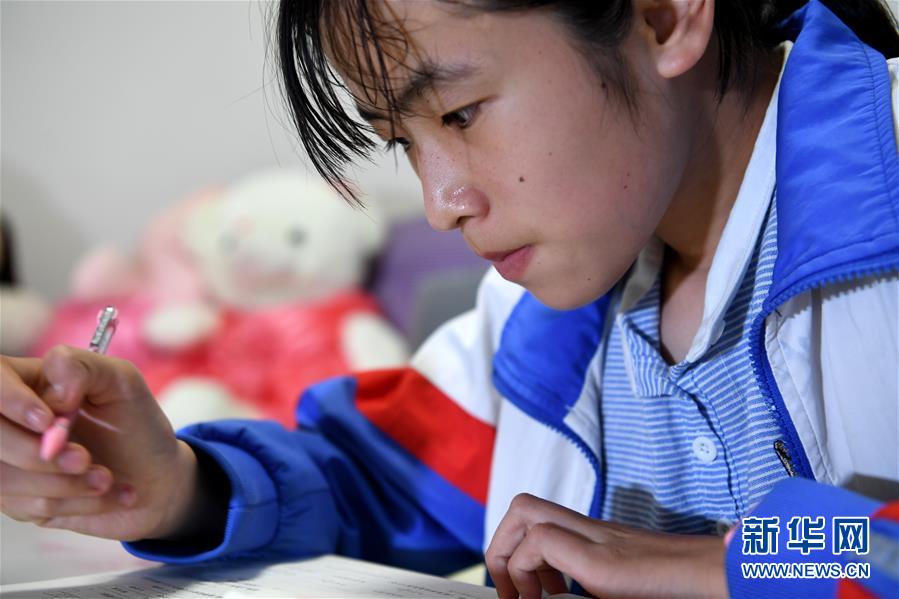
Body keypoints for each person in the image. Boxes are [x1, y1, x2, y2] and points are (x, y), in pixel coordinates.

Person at [1, 0, 898, 597]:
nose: (439, 205)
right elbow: (376, 481)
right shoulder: (547, 309)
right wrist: (175, 485)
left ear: (662, 15)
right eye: (403, 142)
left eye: (459, 114)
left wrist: (727, 561)